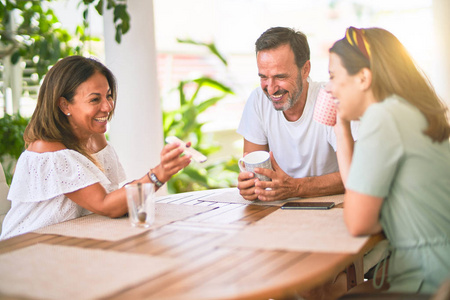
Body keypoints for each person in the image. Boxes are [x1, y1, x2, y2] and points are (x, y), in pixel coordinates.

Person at [0, 56, 191, 240]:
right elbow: (107, 205)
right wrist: (159, 174)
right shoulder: (49, 151)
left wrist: (156, 174)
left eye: (108, 96)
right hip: (25, 249)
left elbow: (111, 195)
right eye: (95, 100)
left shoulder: (94, 138)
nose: (107, 106)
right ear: (64, 104)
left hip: (70, 242)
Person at [328, 27, 450, 294]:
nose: (329, 88)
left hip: (430, 279)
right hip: (434, 267)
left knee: (327, 293)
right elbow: (357, 192)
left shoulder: (384, 118)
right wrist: (341, 127)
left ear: (363, 78)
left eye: (333, 76)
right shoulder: (405, 110)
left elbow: (359, 222)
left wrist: (369, 213)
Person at [237, 27, 355, 201]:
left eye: (280, 76)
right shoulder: (257, 100)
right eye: (263, 77)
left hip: (332, 206)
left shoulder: (330, 98)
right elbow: (254, 170)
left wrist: (296, 187)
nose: (270, 88)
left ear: (305, 69)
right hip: (278, 210)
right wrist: (250, 187)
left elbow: (359, 175)